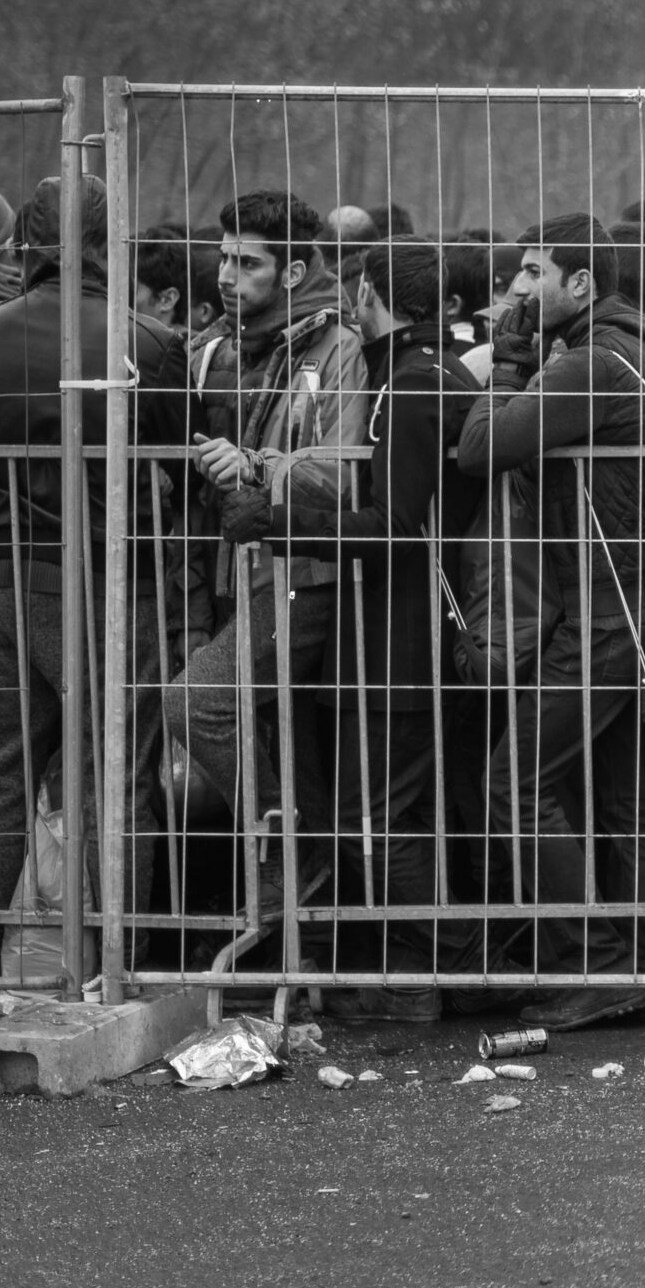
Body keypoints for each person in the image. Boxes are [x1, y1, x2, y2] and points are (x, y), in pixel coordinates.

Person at [457, 213, 645, 1031]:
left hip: (608, 612)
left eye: (534, 273)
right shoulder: (642, 353)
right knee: (622, 801)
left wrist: (505, 363)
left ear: (582, 284)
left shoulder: (593, 367)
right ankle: (640, 963)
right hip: (635, 604)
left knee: (514, 783)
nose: (517, 289)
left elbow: (478, 449)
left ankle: (600, 964)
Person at [215, 238, 484, 1022]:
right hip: (409, 626)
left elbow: (394, 526)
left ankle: (426, 972)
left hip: (399, 635)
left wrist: (275, 520)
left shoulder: (408, 384)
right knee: (397, 810)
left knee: (380, 816)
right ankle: (425, 965)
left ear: (370, 297)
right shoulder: (433, 374)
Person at [0, 176, 189, 975]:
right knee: (120, 783)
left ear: (26, 241)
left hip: (4, 579)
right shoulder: (148, 341)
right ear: (109, 240)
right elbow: (185, 477)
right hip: (113, 582)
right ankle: (122, 959)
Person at [169, 189, 370, 892]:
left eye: (247, 263)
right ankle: (307, 884)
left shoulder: (339, 346)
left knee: (194, 701)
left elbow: (343, 477)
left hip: (302, 579)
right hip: (225, 575)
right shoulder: (210, 349)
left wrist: (255, 465)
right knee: (287, 738)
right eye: (223, 258)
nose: (226, 276)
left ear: (291, 271)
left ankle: (292, 857)